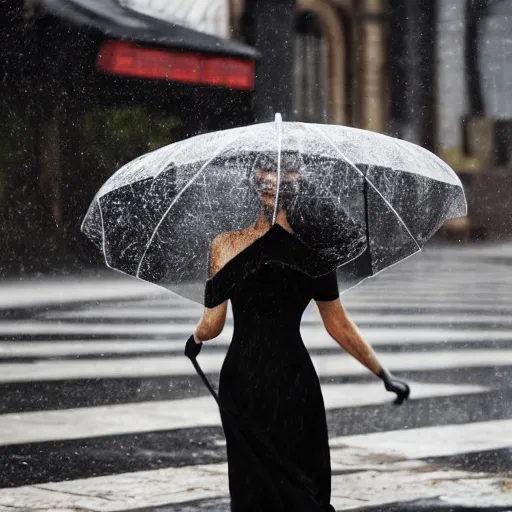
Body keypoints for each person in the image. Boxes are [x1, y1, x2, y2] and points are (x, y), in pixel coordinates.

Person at [186, 160, 410, 512]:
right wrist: (382, 372)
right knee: (302, 480)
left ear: (254, 189)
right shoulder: (315, 253)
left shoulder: (225, 245)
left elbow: (211, 325)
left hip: (243, 379)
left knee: (253, 483)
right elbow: (337, 324)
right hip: (293, 379)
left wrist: (195, 340)